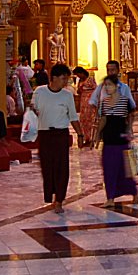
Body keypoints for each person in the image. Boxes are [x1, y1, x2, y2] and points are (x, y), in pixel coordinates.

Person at [31, 63, 83, 213]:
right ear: (53, 78)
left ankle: (59, 199)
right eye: (63, 78)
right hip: (45, 134)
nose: (65, 82)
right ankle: (50, 195)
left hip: (60, 134)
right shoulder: (40, 92)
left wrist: (80, 134)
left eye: (67, 79)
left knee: (62, 168)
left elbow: (73, 116)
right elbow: (33, 110)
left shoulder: (67, 95)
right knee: (47, 167)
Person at [97, 75, 138, 207]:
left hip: (121, 139)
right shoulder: (104, 102)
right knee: (109, 169)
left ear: (116, 86)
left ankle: (134, 193)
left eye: (109, 85)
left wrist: (129, 129)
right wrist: (97, 135)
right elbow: (103, 119)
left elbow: (132, 115)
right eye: (106, 85)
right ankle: (110, 198)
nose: (107, 87)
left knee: (125, 169)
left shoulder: (124, 101)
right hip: (109, 138)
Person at [73, 66, 98, 147]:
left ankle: (91, 139)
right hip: (83, 101)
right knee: (83, 120)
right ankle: (86, 139)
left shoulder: (90, 79)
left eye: (78, 74)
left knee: (90, 120)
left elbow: (96, 89)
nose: (78, 76)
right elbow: (78, 91)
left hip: (90, 101)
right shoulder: (80, 80)